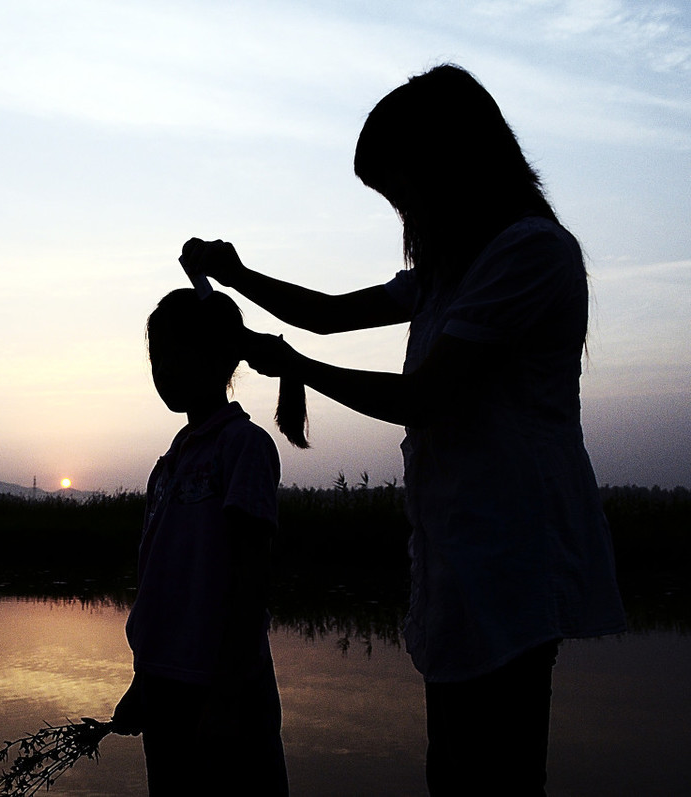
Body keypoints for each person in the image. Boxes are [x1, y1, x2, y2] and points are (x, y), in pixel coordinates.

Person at [180, 64, 626, 796]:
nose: (404, 212)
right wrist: (236, 274)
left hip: (509, 559)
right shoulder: (447, 275)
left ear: (450, 164)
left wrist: (296, 365)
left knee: (494, 773)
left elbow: (424, 397)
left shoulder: (530, 253)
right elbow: (326, 312)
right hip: (458, 558)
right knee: (452, 770)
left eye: (402, 189)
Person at [112, 288, 290, 796]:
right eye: (155, 358)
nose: (162, 370)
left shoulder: (245, 447)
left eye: (176, 354)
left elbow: (250, 579)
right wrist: (141, 682)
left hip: (225, 688)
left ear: (219, 360)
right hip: (165, 689)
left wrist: (228, 697)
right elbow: (157, 585)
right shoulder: (167, 467)